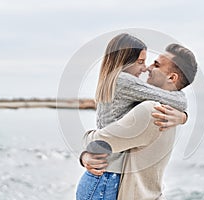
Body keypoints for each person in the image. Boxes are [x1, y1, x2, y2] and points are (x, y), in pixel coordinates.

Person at [76, 34, 189, 200]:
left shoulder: (115, 80)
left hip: (102, 177)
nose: (144, 68)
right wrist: (182, 116)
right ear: (124, 61)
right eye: (140, 62)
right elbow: (178, 99)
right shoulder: (123, 81)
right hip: (106, 180)